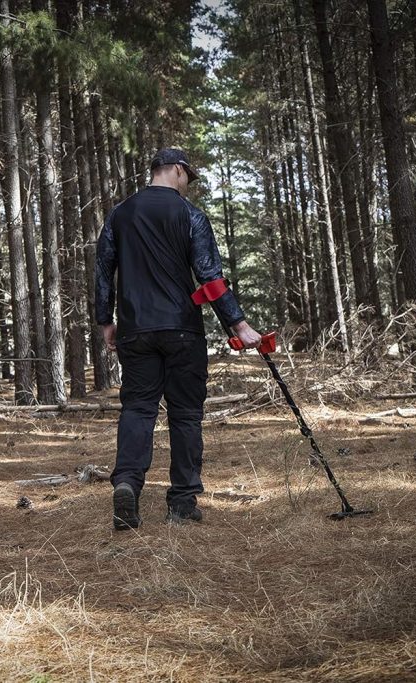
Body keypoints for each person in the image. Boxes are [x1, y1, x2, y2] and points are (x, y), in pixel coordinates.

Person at [95, 147, 261, 530]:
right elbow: (210, 277)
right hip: (183, 330)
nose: (189, 185)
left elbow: (104, 270)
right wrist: (238, 325)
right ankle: (183, 502)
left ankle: (126, 485)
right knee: (185, 414)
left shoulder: (120, 214)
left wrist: (106, 322)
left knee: (138, 409)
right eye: (189, 177)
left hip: (135, 330)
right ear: (177, 171)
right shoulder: (190, 216)